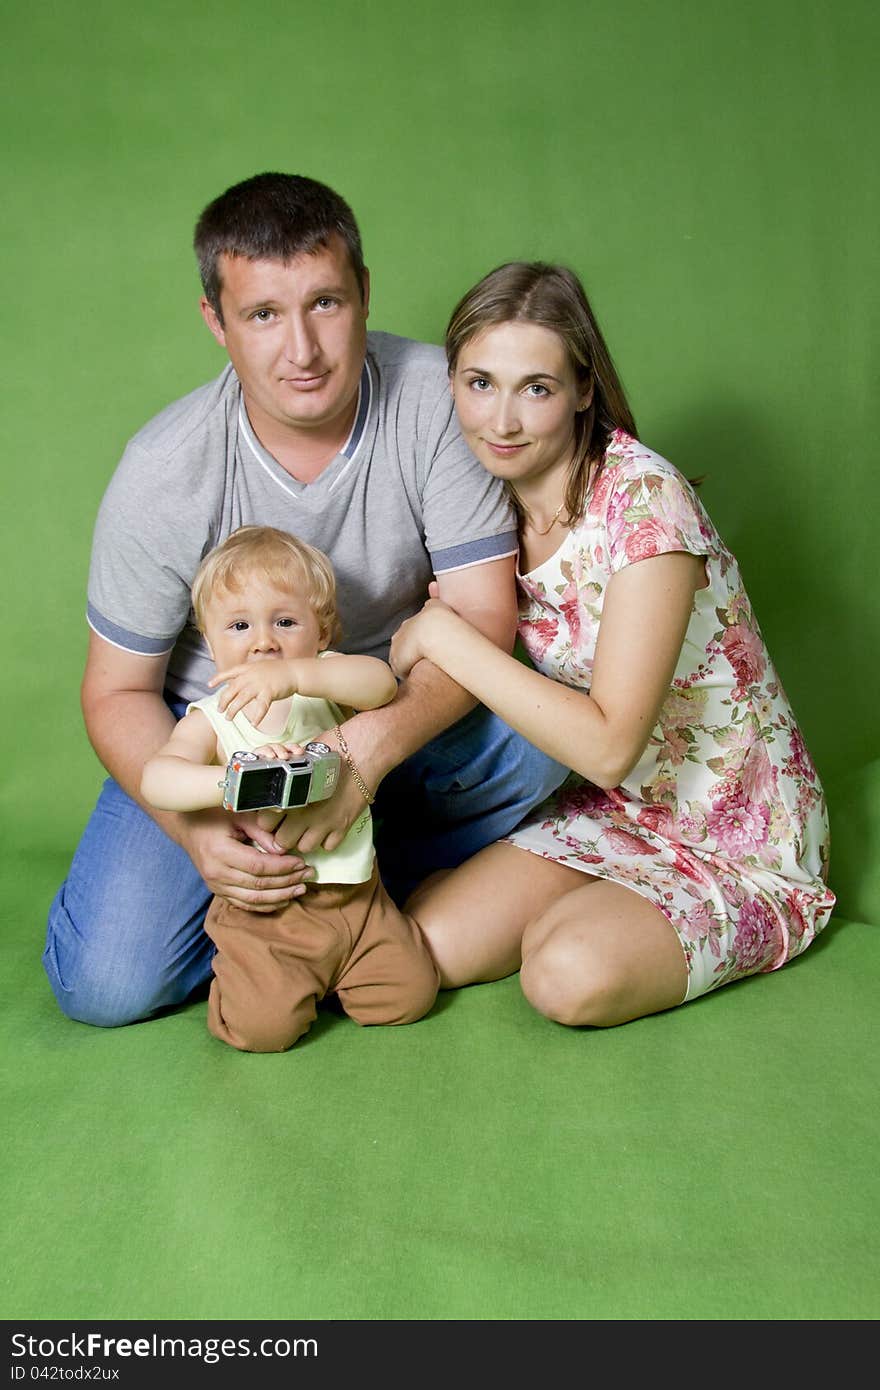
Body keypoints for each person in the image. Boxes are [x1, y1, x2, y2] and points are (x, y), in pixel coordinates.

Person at [44, 173, 566, 1029]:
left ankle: (352, 884)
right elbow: (116, 693)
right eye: (262, 315)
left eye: (325, 302)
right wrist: (201, 835)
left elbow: (481, 620)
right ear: (216, 321)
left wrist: (360, 758)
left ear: (364, 292)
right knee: (106, 986)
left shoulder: (442, 402)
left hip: (388, 711)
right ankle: (302, 901)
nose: (303, 350)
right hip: (230, 747)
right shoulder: (163, 472)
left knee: (548, 736)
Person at [391, 261, 836, 1027]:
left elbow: (606, 746)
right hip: (615, 814)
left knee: (565, 973)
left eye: (536, 387)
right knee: (428, 943)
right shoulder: (483, 501)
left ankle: (613, 921)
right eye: (478, 382)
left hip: (739, 839)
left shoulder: (644, 502)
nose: (501, 421)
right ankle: (596, 908)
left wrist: (443, 636)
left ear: (583, 390)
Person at [140, 526, 438, 1052]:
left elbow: (382, 685)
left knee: (409, 996)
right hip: (269, 911)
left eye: (285, 621)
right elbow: (157, 779)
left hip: (357, 897)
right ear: (210, 644)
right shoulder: (215, 717)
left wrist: (299, 676)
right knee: (262, 1030)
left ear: (321, 633)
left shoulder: (326, 680)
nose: (263, 640)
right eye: (238, 625)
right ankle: (253, 980)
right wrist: (231, 782)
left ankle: (332, 973)